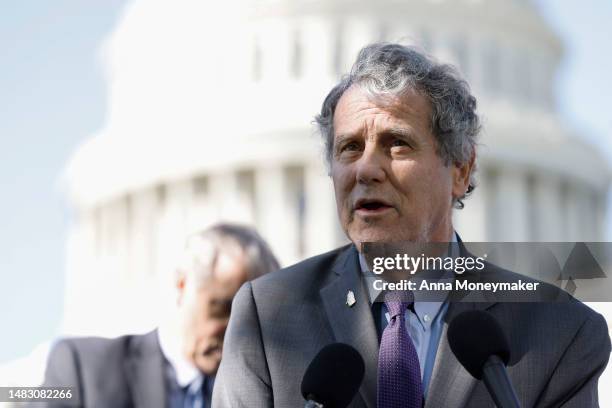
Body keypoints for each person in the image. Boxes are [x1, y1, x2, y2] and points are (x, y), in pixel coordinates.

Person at [212, 43, 611, 407]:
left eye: (396, 143)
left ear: (460, 169)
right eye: (349, 147)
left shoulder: (561, 334)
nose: (367, 168)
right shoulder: (267, 316)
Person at [40, 223, 279, 408]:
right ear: (182, 285)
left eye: (252, 319)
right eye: (223, 309)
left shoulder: (267, 392)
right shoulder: (82, 367)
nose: (234, 331)